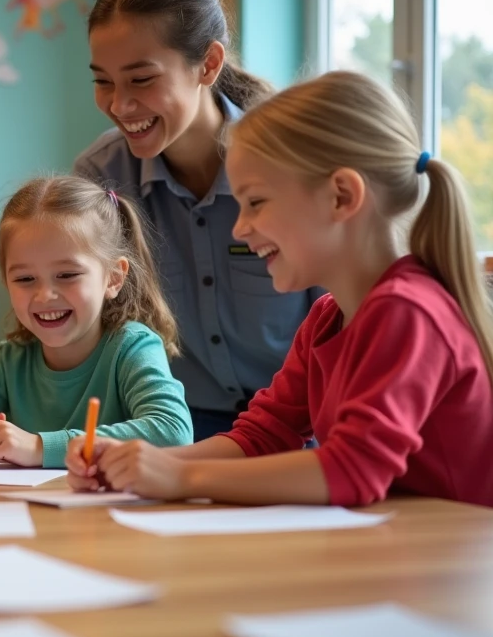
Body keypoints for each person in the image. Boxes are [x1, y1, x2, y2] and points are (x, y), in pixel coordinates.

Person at [67, 71, 493, 508]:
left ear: (341, 196)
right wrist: (138, 464)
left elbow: (353, 471)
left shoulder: (408, 312)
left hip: (451, 559)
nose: (240, 227)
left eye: (255, 202)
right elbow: (262, 435)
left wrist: (182, 476)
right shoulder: (327, 318)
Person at [73, 0, 323, 441]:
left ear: (208, 64)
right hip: (170, 426)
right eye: (103, 81)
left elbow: (340, 315)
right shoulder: (100, 177)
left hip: (303, 423)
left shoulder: (292, 161)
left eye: (141, 79)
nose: (120, 105)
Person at [0, 176, 192, 467]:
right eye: (25, 279)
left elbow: (173, 432)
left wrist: (39, 447)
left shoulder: (131, 346)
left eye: (67, 275)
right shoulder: (12, 361)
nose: (45, 295)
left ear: (114, 277)